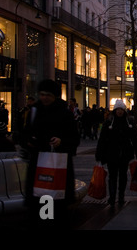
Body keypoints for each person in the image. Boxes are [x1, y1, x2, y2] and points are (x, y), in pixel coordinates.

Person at [23, 79, 80, 229]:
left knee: (56, 210)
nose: (44, 98)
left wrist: (62, 141)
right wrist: (29, 141)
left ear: (55, 96)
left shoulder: (65, 113)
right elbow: (23, 135)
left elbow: (74, 138)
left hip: (58, 167)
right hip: (38, 166)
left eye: (48, 95)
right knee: (40, 209)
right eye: (41, 94)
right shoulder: (34, 111)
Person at [95, 100, 135, 206]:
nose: (120, 111)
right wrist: (99, 155)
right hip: (111, 154)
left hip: (124, 154)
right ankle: (112, 197)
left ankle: (121, 196)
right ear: (115, 110)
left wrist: (136, 152)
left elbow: (134, 138)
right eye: (118, 109)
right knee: (112, 176)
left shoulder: (128, 122)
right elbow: (102, 139)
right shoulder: (109, 122)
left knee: (123, 176)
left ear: (124, 110)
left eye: (121, 109)